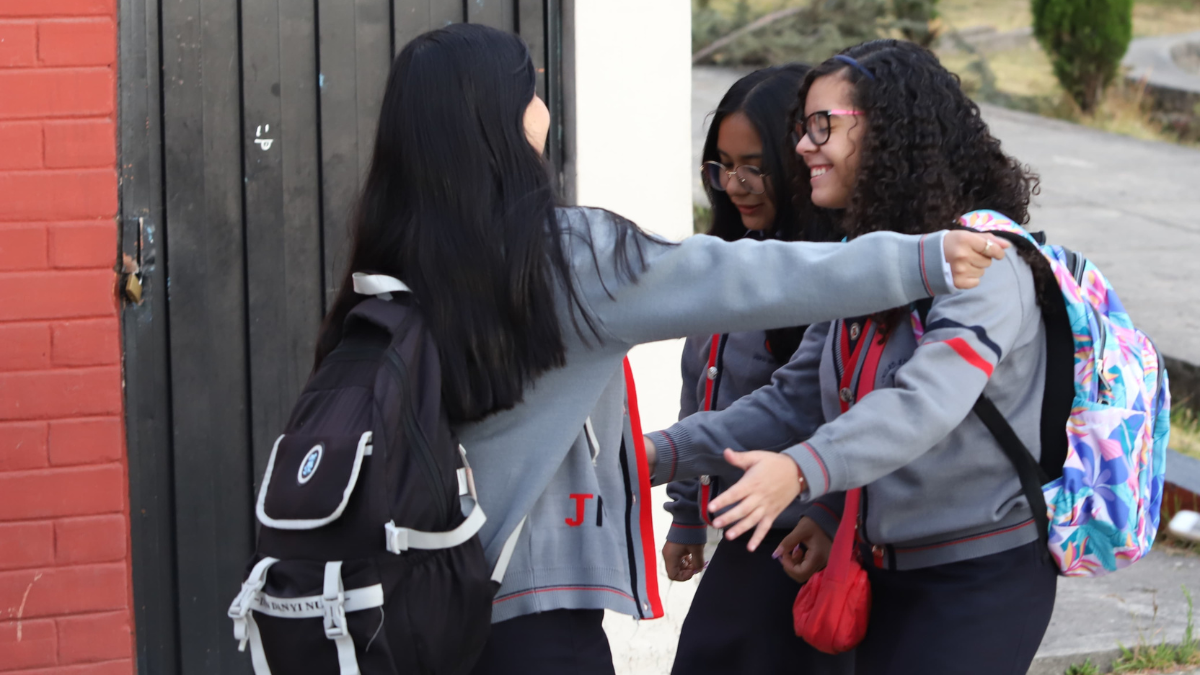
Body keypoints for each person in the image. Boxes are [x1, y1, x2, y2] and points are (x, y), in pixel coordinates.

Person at [318, 25, 1010, 675]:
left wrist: (654, 459)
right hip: (529, 606)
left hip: (411, 607)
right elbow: (752, 277)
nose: (543, 110)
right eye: (530, 93)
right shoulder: (565, 255)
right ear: (500, 118)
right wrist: (924, 260)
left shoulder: (390, 254)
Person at [645, 40, 1056, 675]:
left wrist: (801, 473)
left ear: (891, 132)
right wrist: (654, 454)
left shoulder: (984, 264)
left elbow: (922, 405)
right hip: (882, 567)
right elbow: (795, 400)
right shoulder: (870, 265)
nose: (805, 146)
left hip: (977, 580)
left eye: (822, 126)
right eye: (802, 128)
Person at [661, 64, 852, 674]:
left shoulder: (833, 273)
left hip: (801, 540)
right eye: (722, 165)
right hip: (743, 534)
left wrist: (648, 456)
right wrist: (687, 513)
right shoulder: (725, 262)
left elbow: (801, 409)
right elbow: (702, 395)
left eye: (754, 165)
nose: (736, 184)